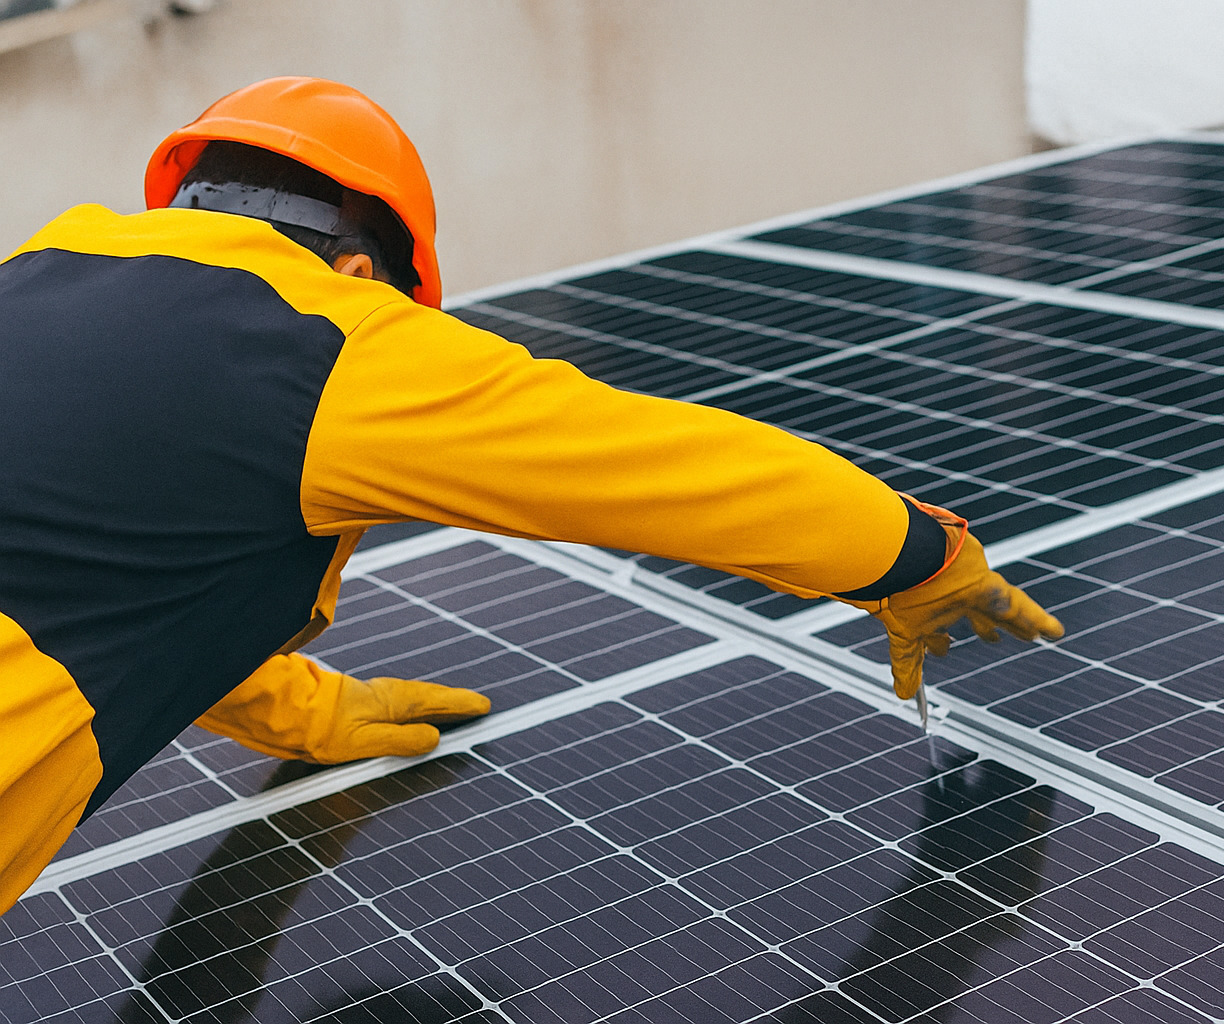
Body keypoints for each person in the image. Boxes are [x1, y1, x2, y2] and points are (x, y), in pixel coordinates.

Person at [0, 76, 1062, 915]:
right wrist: (924, 557)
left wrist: (305, 709)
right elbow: (664, 465)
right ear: (365, 266)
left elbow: (112, 578)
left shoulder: (32, 276)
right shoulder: (333, 340)